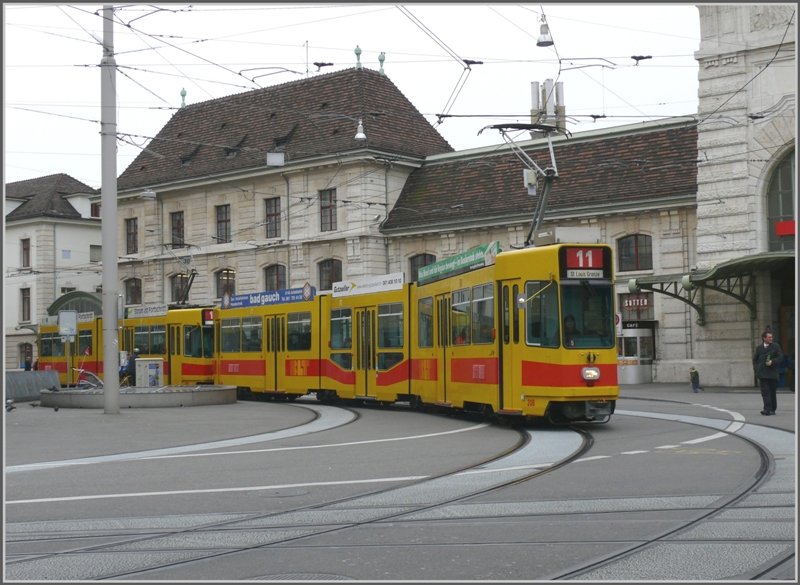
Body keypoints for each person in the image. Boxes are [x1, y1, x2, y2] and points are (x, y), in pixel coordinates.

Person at [753, 331, 783, 415]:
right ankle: (766, 409)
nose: (771, 338)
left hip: (772, 374)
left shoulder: (776, 346)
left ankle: (772, 409)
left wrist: (772, 361)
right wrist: (756, 369)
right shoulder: (759, 348)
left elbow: (780, 357)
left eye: (771, 337)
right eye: (769, 337)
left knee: (772, 392)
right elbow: (755, 360)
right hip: (762, 374)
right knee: (765, 393)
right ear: (764, 338)